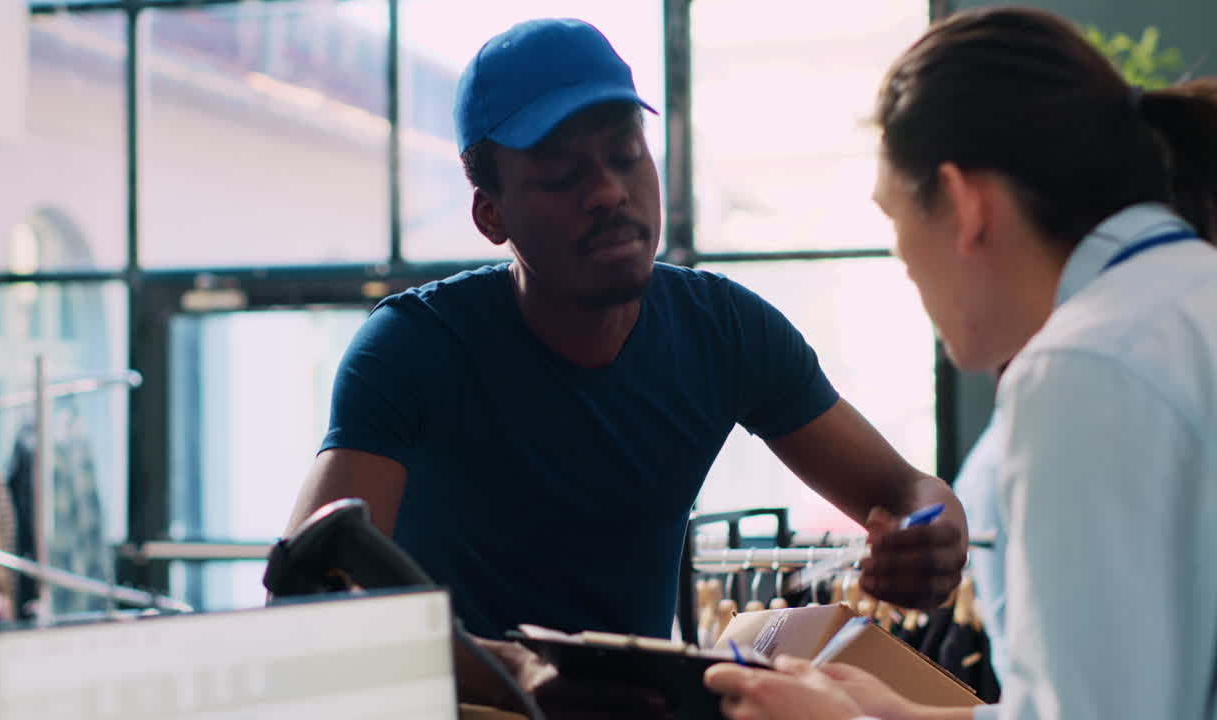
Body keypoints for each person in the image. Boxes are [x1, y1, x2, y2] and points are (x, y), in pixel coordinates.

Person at [284, 13, 966, 696]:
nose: (608, 191)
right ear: (492, 214)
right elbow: (309, 598)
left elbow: (907, 492)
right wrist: (511, 669)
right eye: (559, 173)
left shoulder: (724, 332)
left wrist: (930, 533)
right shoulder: (414, 348)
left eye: (625, 155)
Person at [703, 6, 1217, 720]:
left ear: (962, 202)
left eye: (894, 221)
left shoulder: (1084, 365)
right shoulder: (1180, 300)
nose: (902, 259)